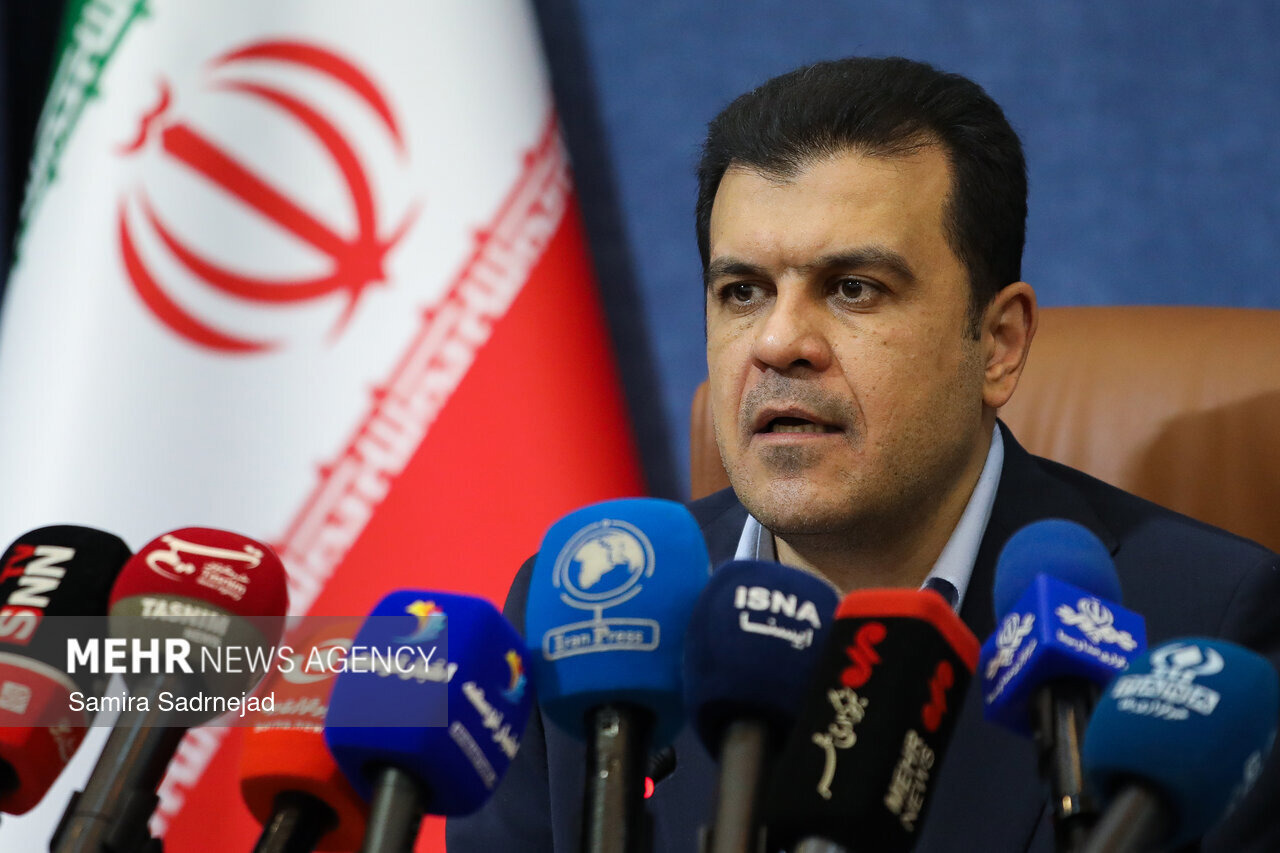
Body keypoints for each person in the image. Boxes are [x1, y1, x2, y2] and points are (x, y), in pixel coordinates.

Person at [448, 56, 1280, 852]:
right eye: (743, 292)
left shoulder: (1209, 632)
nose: (778, 341)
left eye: (853, 288)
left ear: (997, 344)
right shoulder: (582, 621)